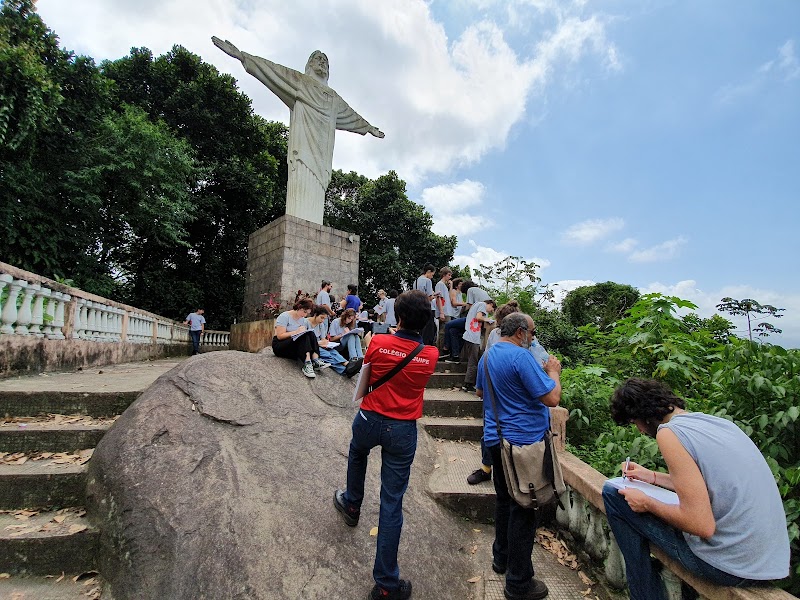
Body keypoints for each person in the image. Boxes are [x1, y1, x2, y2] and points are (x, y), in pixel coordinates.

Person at [602, 378, 790, 600]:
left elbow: (700, 525)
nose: (640, 430)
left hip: (730, 566)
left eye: (635, 422)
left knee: (613, 494)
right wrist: (652, 477)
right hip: (766, 562)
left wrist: (647, 502)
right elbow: (710, 484)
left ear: (644, 415)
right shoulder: (718, 424)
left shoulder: (668, 433)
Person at [333, 290, 439, 600]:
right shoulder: (430, 354)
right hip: (403, 429)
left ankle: (351, 502)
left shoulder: (378, 342)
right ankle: (386, 585)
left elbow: (368, 375)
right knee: (391, 502)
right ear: (427, 320)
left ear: (398, 316)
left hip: (369, 419)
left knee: (357, 452)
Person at [211, 38, 384, 225]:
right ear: (309, 64)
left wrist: (368, 127)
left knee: (317, 190)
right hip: (302, 150)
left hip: (322, 156)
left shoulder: (334, 99)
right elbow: (272, 71)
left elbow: (352, 116)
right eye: (318, 58)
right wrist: (242, 56)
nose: (323, 63)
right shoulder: (300, 82)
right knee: (300, 186)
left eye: (326, 61)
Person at [476, 312, 562, 600]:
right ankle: (519, 582)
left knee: (504, 502)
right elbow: (551, 398)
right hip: (523, 444)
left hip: (494, 440)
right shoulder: (521, 357)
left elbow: (479, 392)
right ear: (521, 332)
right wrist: (554, 372)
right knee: (525, 509)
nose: (533, 338)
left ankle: (500, 558)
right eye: (532, 333)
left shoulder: (487, 356)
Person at [467, 300, 519, 486]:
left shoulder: (523, 338)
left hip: (509, 390)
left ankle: (497, 468)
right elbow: (486, 357)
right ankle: (486, 467)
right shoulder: (495, 335)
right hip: (493, 390)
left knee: (499, 430)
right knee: (490, 431)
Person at [271, 298, 324, 379]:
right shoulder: (285, 316)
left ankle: (315, 359)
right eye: (304, 312)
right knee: (303, 336)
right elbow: (280, 336)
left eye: (307, 313)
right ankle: (307, 363)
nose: (305, 315)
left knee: (310, 333)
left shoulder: (302, 320)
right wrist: (295, 332)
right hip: (280, 344)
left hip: (293, 344)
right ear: (299, 307)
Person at [306, 305, 362, 377]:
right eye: (321, 318)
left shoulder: (321, 325)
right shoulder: (306, 322)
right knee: (328, 355)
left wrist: (325, 342)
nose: (322, 320)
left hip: (321, 344)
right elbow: (307, 340)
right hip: (314, 345)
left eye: (324, 319)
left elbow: (323, 338)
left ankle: (349, 364)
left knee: (333, 352)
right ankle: (346, 367)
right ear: (316, 315)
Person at [461, 297, 496, 393]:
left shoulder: (477, 304)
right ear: (491, 305)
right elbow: (478, 317)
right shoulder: (482, 305)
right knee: (474, 361)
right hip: (472, 336)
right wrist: (488, 319)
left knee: (473, 360)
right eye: (491, 310)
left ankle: (469, 383)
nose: (489, 312)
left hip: (470, 335)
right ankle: (468, 384)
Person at [412, 264, 437, 346]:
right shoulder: (427, 281)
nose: (432, 277)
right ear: (428, 272)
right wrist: (434, 295)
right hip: (427, 307)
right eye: (432, 274)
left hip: (417, 307)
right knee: (429, 330)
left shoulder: (416, 281)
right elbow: (429, 297)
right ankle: (426, 347)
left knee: (420, 328)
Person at [434, 267, 453, 354]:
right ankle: (441, 351)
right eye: (449, 275)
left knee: (445, 331)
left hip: (447, 310)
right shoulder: (440, 284)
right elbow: (439, 298)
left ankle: (442, 350)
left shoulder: (444, 285)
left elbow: (449, 297)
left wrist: (451, 287)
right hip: (444, 311)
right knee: (443, 331)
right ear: (444, 275)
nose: (450, 277)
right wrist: (441, 312)